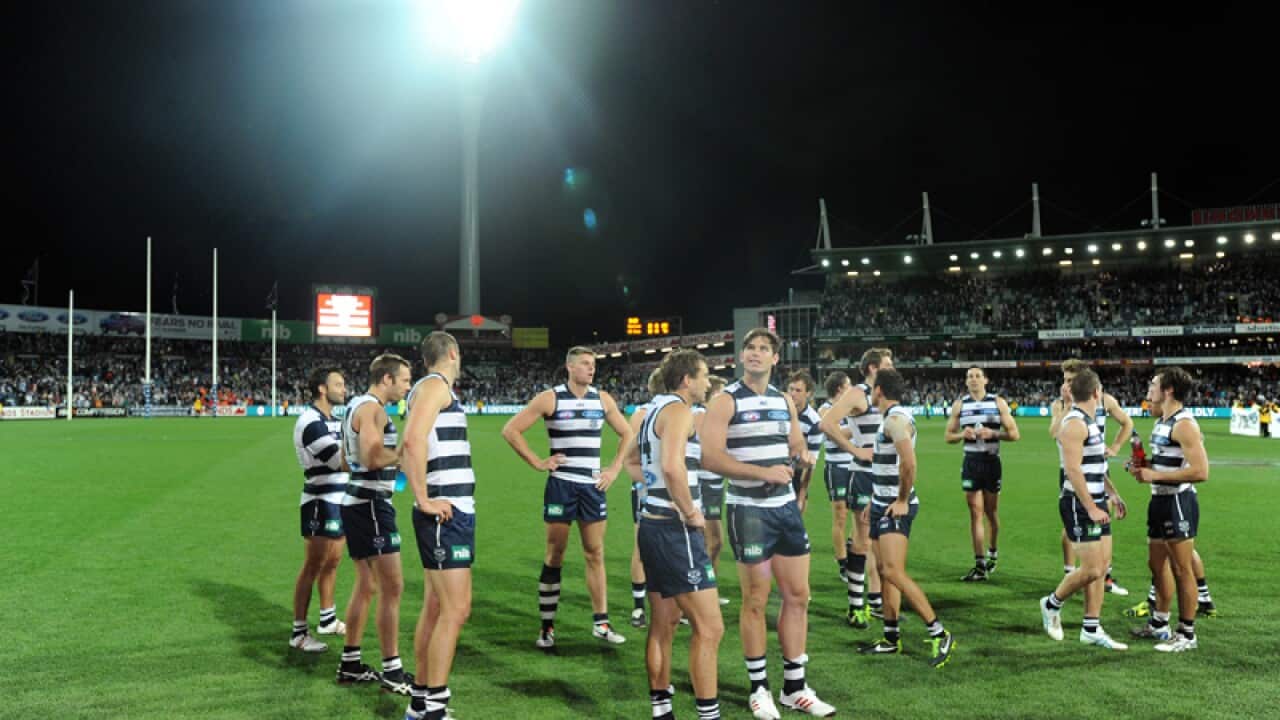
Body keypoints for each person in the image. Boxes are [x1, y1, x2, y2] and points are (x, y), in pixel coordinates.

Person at [700, 328, 835, 719]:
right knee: (756, 600)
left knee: (798, 595)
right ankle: (759, 689)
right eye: (750, 348)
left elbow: (795, 444)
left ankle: (794, 688)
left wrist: (802, 455)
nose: (756, 353)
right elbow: (710, 458)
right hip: (749, 510)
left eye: (764, 349)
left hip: (785, 509)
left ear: (775, 359)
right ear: (742, 357)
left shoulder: (782, 401)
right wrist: (762, 472)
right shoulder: (725, 401)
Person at [502, 346, 635, 648]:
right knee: (555, 554)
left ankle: (601, 623)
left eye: (594, 365)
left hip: (592, 487)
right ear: (570, 367)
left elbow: (627, 434)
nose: (592, 369)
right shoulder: (551, 398)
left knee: (595, 553)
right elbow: (511, 430)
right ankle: (547, 627)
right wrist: (538, 462)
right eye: (586, 364)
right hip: (561, 485)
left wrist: (614, 470)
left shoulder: (602, 399)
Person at [631, 350, 725, 720]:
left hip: (652, 525)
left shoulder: (652, 411)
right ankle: (708, 715)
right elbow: (672, 467)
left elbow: (639, 465)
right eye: (703, 376)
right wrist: (691, 511)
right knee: (710, 626)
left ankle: (662, 710)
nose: (706, 382)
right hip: (676, 530)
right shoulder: (679, 411)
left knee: (663, 622)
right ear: (686, 379)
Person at [850, 369, 955, 667]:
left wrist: (901, 500)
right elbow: (887, 466)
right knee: (884, 570)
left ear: (879, 390)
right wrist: (875, 499)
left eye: (872, 388)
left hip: (896, 507)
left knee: (893, 571)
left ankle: (939, 632)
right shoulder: (892, 418)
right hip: (882, 503)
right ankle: (890, 638)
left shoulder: (895, 420)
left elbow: (909, 463)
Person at [402, 332, 476, 719]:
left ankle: (420, 702)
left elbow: (410, 445)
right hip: (447, 514)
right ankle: (434, 708)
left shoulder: (426, 389)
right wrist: (424, 499)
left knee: (435, 607)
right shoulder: (434, 386)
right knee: (456, 609)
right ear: (451, 353)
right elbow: (411, 441)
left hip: (448, 512)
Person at [336, 354, 414, 693]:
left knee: (367, 585)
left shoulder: (358, 406)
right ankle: (392, 671)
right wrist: (406, 453)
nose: (408, 386)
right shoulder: (372, 409)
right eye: (405, 380)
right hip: (369, 505)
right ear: (386, 379)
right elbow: (370, 456)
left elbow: (345, 461)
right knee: (392, 586)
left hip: (360, 500)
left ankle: (350, 663)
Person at [1039, 369, 1127, 651]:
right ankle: (1051, 604)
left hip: (1097, 500)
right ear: (1096, 393)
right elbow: (1073, 470)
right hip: (1079, 503)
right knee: (1091, 569)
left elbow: (1095, 467)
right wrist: (1090, 506)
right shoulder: (1074, 423)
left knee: (1100, 569)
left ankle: (1091, 627)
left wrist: (1113, 494)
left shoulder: (1090, 422)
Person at [1128, 367, 1210, 653]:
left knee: (1181, 569)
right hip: (1159, 501)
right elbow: (1167, 462)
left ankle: (1187, 634)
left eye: (1153, 384)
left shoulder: (1184, 423)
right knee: (1156, 565)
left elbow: (1201, 471)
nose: (1148, 389)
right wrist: (1144, 465)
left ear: (1168, 391)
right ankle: (1159, 624)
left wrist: (1156, 476)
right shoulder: (1162, 420)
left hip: (1178, 502)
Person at [819, 348, 891, 629]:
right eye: (887, 362)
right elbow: (827, 423)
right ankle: (855, 606)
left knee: (881, 540)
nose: (892, 366)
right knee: (862, 539)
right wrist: (855, 450)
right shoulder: (858, 394)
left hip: (885, 476)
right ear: (872, 368)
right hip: (863, 476)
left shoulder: (885, 394)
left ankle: (876, 600)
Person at [1050, 359, 1131, 596]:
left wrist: (1115, 447)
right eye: (1064, 380)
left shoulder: (1104, 400)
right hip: (1073, 468)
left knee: (1102, 520)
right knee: (1071, 525)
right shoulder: (1061, 406)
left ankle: (1103, 575)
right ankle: (1071, 573)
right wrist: (1066, 405)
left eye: (1071, 380)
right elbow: (1055, 434)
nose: (1066, 384)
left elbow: (1127, 423)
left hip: (1098, 466)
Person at [290, 367, 348, 653]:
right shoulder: (310, 421)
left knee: (333, 561)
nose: (344, 388)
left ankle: (327, 618)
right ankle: (299, 633)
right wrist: (378, 456)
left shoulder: (336, 419)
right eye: (339, 383)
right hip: (319, 501)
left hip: (340, 499)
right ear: (322, 389)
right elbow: (338, 460)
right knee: (313, 565)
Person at [943, 366, 1019, 581]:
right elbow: (948, 436)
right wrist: (961, 435)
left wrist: (993, 433)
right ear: (966, 382)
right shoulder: (960, 404)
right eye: (970, 376)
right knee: (975, 512)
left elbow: (1014, 434)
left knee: (990, 512)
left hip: (991, 462)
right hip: (970, 462)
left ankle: (993, 552)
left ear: (985, 380)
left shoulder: (998, 402)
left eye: (977, 376)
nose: (973, 379)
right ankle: (979, 565)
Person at [623, 368, 667, 628]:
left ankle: (639, 609)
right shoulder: (673, 412)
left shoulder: (639, 414)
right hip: (659, 486)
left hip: (642, 486)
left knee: (642, 546)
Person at [694, 375, 730, 606]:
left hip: (715, 484)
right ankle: (697, 593)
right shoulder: (699, 416)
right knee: (712, 541)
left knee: (714, 542)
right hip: (703, 484)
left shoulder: (716, 418)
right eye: (721, 393)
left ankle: (709, 591)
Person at [817, 372, 854, 584]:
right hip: (836, 468)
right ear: (840, 388)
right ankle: (842, 563)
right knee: (840, 515)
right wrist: (859, 428)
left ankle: (851, 548)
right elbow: (836, 434)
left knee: (859, 513)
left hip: (855, 466)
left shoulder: (852, 409)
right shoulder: (825, 410)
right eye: (848, 384)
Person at [785, 371, 824, 513]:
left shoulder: (814, 422)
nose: (793, 393)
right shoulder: (779, 410)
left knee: (792, 528)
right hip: (773, 471)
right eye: (791, 389)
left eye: (798, 390)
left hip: (795, 473)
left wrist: (801, 497)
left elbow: (810, 464)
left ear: (808, 393)